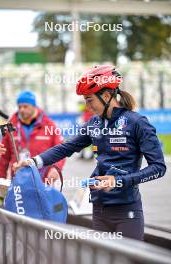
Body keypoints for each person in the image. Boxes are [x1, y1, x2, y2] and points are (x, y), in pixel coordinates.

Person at [13, 66, 166, 240]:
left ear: (107, 96)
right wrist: (33, 162)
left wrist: (119, 181)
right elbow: (66, 147)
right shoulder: (94, 123)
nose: (87, 106)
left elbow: (158, 167)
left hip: (126, 210)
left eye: (89, 100)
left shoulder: (137, 122)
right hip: (99, 208)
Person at [0, 90, 65, 182]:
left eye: (25, 106)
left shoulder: (49, 125)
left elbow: (61, 150)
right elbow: (4, 157)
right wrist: (1, 184)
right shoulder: (10, 126)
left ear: (34, 106)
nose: (21, 109)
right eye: (19, 107)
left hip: (43, 182)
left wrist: (56, 168)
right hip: (18, 182)